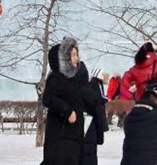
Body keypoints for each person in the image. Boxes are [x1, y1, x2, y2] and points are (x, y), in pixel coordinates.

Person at [41, 36, 89, 165]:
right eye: (73, 55)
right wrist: (67, 111)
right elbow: (48, 98)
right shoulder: (56, 77)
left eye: (77, 55)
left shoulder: (74, 79)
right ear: (64, 58)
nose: (76, 58)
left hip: (74, 134)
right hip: (60, 134)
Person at [81, 68, 110, 165]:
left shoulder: (88, 85)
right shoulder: (97, 84)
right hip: (90, 122)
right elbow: (100, 98)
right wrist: (108, 99)